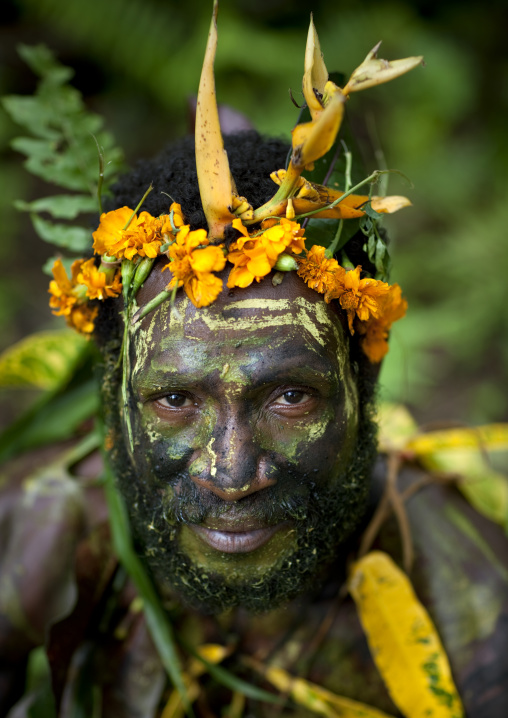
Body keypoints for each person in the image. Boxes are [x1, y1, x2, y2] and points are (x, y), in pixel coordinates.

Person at [1, 11, 507, 718]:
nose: (233, 474)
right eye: (175, 399)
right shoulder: (36, 546)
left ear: (365, 388)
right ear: (112, 396)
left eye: (291, 397)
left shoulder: (472, 603)